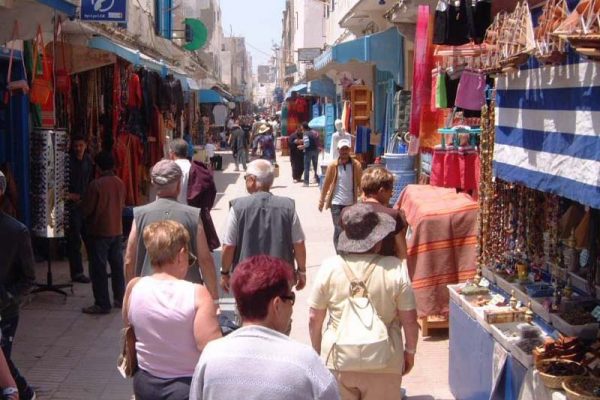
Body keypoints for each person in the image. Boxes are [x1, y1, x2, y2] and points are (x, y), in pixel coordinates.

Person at [189, 255, 340, 400]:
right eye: (290, 298)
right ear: (277, 305)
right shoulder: (305, 362)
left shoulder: (211, 356)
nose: (292, 308)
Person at [308, 204, 419, 400]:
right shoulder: (395, 269)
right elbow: (409, 320)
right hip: (385, 360)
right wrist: (410, 352)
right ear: (377, 242)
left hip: (337, 359)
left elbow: (314, 318)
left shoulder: (329, 267)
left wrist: (317, 353)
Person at [124, 220, 222, 400]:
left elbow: (131, 327)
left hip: (144, 382)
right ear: (181, 254)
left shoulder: (134, 287)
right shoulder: (197, 294)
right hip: (184, 387)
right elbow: (209, 347)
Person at [124, 160, 219, 301]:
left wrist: (130, 293)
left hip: (148, 297)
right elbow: (205, 260)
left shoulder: (139, 215)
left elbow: (129, 259)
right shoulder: (193, 215)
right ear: (179, 185)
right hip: (186, 297)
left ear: (153, 183)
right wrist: (214, 298)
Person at [220, 160, 306, 292]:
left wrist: (224, 273)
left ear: (252, 180)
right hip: (280, 280)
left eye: (246, 178)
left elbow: (229, 245)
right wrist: (301, 271)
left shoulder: (237, 208)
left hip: (247, 281)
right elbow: (299, 243)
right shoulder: (288, 207)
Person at [0, 171, 36, 400]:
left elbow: (28, 277)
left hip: (5, 310)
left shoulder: (16, 231)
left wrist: (7, 296)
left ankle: (22, 391)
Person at [81, 151, 126, 314]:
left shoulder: (96, 185)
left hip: (99, 231)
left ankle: (102, 303)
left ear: (98, 167)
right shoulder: (119, 183)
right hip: (116, 230)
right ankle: (120, 298)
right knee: (117, 267)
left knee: (98, 269)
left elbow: (87, 209)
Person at [346, 166, 408, 259]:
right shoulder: (393, 215)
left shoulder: (346, 212)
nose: (392, 194)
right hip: (384, 270)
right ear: (381, 191)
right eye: (390, 190)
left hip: (354, 269)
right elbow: (402, 253)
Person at [318, 139, 363, 251]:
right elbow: (326, 184)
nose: (344, 151)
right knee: (338, 228)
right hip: (336, 203)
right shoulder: (333, 166)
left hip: (350, 203)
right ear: (338, 150)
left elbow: (361, 183)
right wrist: (321, 201)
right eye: (342, 149)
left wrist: (363, 198)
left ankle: (347, 250)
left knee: (349, 228)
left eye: (346, 149)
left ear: (349, 150)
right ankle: (339, 252)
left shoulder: (356, 165)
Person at [66, 135, 94, 283]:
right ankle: (77, 273)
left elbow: (92, 181)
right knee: (75, 240)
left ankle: (94, 270)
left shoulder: (89, 161)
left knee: (90, 239)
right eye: (76, 145)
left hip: (86, 204)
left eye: (81, 145)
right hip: (72, 207)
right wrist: (69, 195)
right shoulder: (68, 162)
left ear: (85, 145)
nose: (78, 148)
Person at [169, 139, 192, 204]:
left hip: (174, 210)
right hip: (191, 211)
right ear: (186, 153)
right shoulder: (193, 168)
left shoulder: (169, 169)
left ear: (172, 153)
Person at [301, 122, 320, 187]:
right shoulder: (312, 132)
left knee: (307, 167)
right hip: (315, 150)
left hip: (308, 151)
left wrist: (302, 147)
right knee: (316, 166)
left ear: (303, 127)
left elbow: (307, 144)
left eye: (301, 127)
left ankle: (306, 182)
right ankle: (318, 180)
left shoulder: (305, 134)